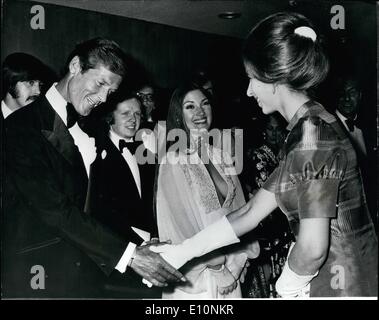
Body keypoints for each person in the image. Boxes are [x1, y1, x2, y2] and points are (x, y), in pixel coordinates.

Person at [151, 12, 378, 298]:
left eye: (251, 79)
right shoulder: (307, 126)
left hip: (342, 284)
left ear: (273, 78)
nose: (248, 91)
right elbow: (250, 211)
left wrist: (286, 287)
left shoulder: (312, 135)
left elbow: (313, 247)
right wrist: (180, 252)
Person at [3, 38, 184, 298]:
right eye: (100, 84)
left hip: (87, 275)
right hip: (37, 274)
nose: (102, 98)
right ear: (75, 66)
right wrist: (129, 255)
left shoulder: (95, 127)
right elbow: (54, 210)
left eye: (110, 93)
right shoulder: (21, 126)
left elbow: (96, 205)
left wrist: (140, 245)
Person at [155, 83, 259, 299]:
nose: (200, 112)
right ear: (178, 115)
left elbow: (241, 210)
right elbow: (180, 227)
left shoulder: (221, 156)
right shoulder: (173, 160)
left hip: (232, 272)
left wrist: (237, 262)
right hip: (198, 281)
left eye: (205, 104)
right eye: (190, 107)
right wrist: (217, 268)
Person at [86, 91, 160, 298]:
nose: (133, 119)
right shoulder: (96, 153)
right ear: (111, 116)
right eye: (126, 113)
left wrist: (155, 237)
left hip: (152, 246)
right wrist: (140, 244)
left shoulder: (144, 149)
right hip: (119, 254)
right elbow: (100, 212)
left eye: (137, 114)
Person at [241, 113, 293, 298]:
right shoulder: (258, 156)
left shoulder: (284, 153)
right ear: (264, 131)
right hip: (270, 230)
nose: (274, 133)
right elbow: (275, 194)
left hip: (285, 230)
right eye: (270, 129)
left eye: (278, 129)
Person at [1, 52, 46, 119]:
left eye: (40, 85)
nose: (38, 91)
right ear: (10, 82)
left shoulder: (41, 120)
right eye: (31, 83)